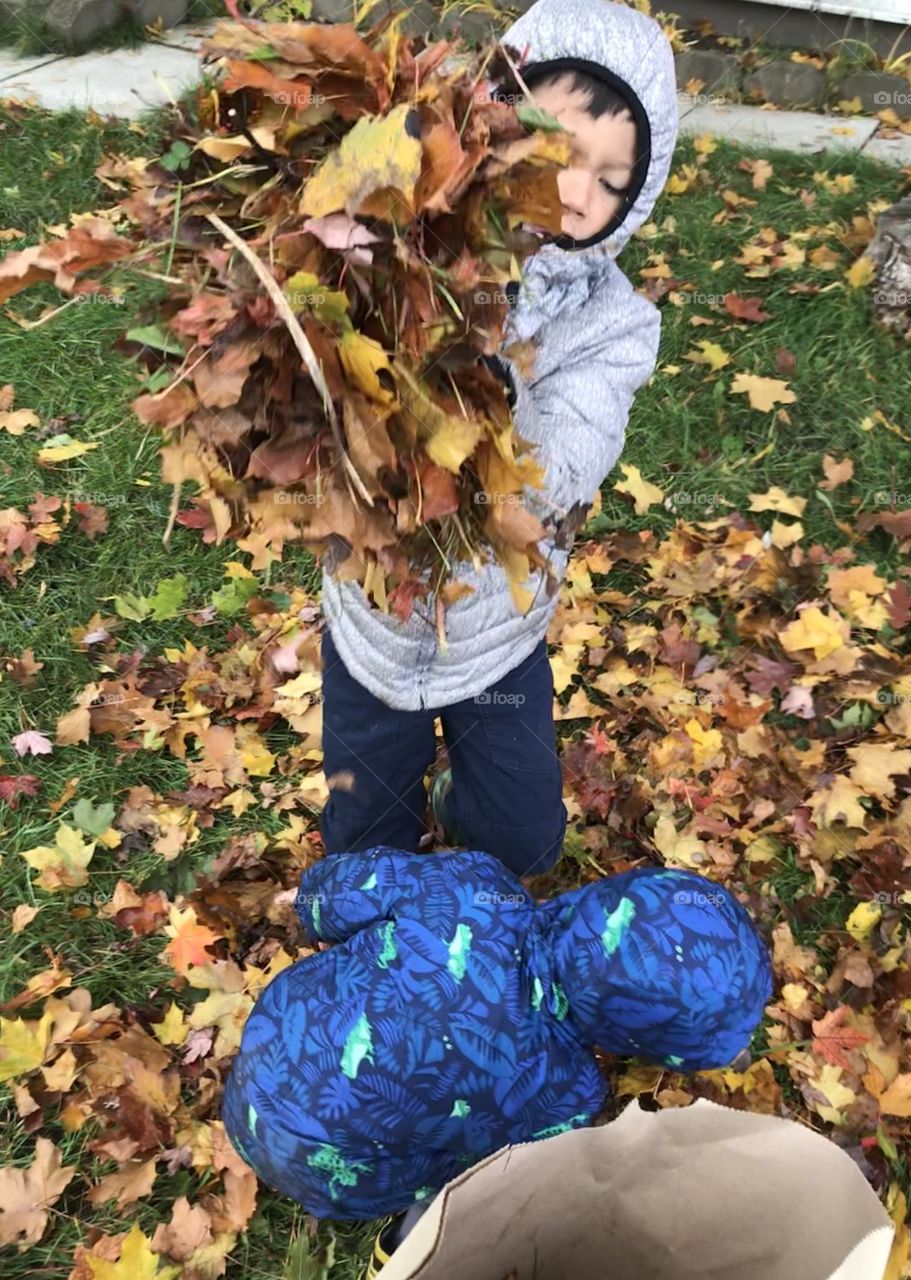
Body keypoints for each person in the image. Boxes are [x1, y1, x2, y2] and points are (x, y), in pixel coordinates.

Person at [318, 0, 679, 878]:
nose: (573, 189)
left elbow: (575, 443)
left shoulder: (613, 323)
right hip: (373, 610)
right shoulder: (414, 242)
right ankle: (387, 897)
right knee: (365, 845)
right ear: (491, 124)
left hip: (496, 628)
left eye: (609, 179)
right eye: (554, 148)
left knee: (520, 839)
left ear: (634, 201)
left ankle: (462, 807)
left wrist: (491, 415)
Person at [222, 849, 773, 1274]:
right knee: (473, 1174)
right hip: (336, 1178)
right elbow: (509, 1171)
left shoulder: (476, 885)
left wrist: (310, 906)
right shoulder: (564, 1092)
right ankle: (405, 1249)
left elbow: (347, 888)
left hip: (261, 1057)